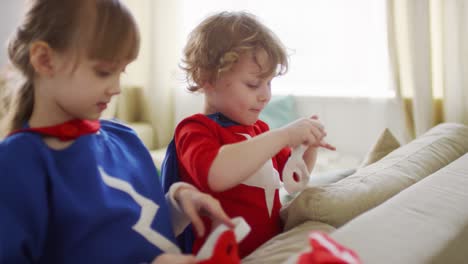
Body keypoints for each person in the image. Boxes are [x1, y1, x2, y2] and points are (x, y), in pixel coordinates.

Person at [0, 1, 233, 263]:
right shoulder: (17, 161)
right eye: (104, 72)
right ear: (44, 60)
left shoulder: (125, 138)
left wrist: (177, 203)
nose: (116, 88)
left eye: (121, 72)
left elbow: (133, 229)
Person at [171, 11, 336, 258]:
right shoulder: (195, 129)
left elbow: (291, 177)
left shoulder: (260, 131)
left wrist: (307, 147)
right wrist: (284, 135)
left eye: (269, 83)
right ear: (207, 79)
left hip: (268, 249)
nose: (266, 95)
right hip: (222, 256)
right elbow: (217, 174)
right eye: (252, 84)